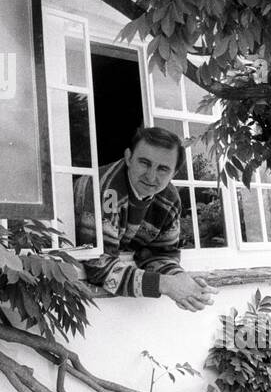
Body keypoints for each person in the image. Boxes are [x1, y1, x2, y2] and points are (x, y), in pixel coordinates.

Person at [73, 126, 215, 311]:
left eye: (163, 169)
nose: (151, 176)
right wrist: (164, 284)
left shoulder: (169, 199)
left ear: (174, 173)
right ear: (128, 157)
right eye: (144, 163)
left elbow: (160, 253)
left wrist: (179, 278)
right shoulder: (101, 189)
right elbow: (99, 268)